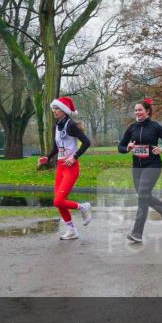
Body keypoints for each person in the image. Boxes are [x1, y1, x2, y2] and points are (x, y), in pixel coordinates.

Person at [117, 99, 162, 243]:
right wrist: (127, 148)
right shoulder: (132, 128)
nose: (137, 112)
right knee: (144, 196)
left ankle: (137, 233)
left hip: (153, 165)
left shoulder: (155, 127)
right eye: (136, 110)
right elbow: (120, 147)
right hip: (137, 167)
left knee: (142, 196)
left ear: (147, 111)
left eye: (140, 110)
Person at [37, 97, 92, 240]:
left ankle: (83, 207)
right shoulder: (56, 126)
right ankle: (71, 230)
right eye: (53, 108)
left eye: (57, 108)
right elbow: (57, 147)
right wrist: (47, 157)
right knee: (59, 202)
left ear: (64, 110)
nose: (54, 111)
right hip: (60, 167)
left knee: (58, 201)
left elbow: (86, 142)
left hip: (71, 168)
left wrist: (75, 157)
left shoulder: (71, 125)